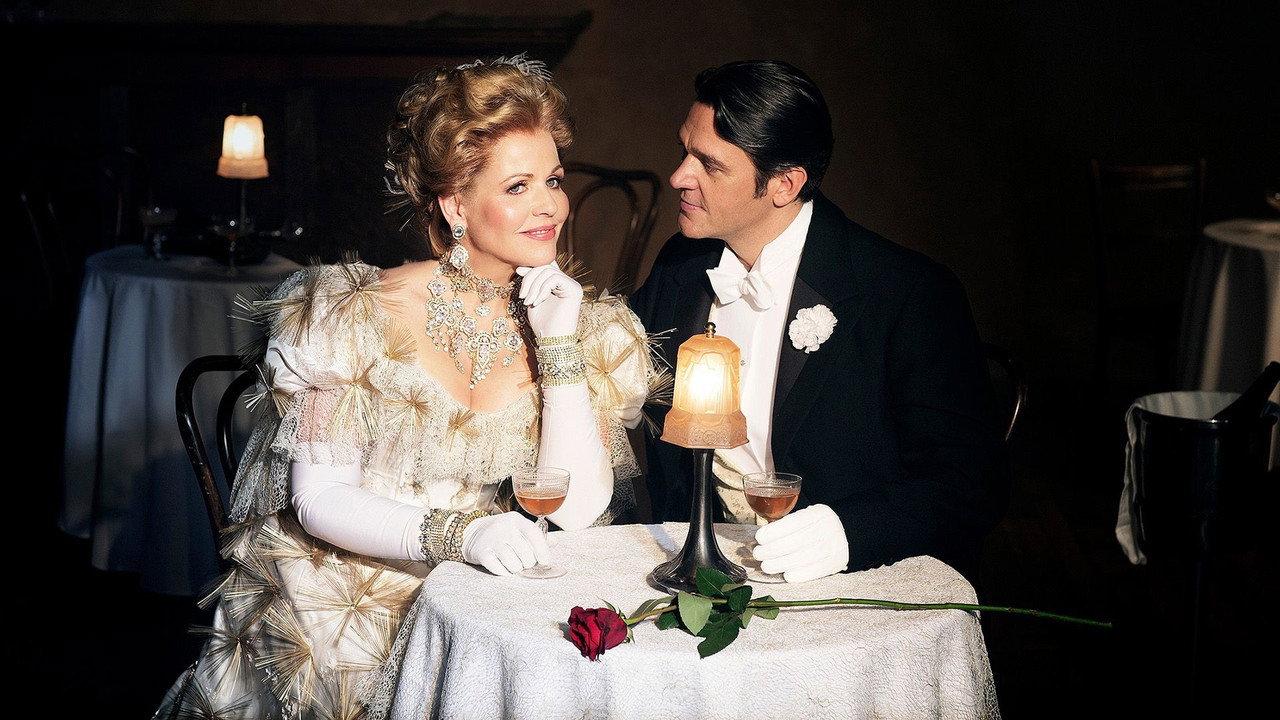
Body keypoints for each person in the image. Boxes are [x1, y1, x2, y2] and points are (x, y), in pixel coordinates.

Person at [154, 56, 655, 719]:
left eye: (554, 180)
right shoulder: (351, 315)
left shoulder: (581, 324)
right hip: (347, 593)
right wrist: (459, 536)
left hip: (485, 592)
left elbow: (578, 510)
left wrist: (559, 344)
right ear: (455, 204)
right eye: (518, 186)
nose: (550, 206)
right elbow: (318, 499)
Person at [630, 60, 1008, 587]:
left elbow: (969, 484)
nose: (678, 177)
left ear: (785, 184)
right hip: (697, 574)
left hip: (843, 581)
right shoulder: (682, 263)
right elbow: (623, 386)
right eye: (684, 151)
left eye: (709, 165)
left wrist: (848, 531)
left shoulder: (906, 293)